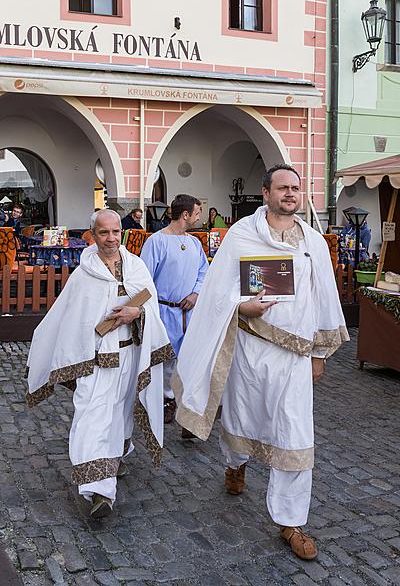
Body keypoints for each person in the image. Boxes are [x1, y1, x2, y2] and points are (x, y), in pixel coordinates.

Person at [173, 165, 349, 560]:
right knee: (241, 421)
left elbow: (323, 298)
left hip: (296, 357)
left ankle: (291, 521)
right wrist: (243, 306)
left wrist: (319, 355)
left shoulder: (313, 243)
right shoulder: (242, 235)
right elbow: (218, 293)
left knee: (294, 435)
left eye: (296, 188)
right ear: (265, 192)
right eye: (283, 188)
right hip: (251, 352)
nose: (290, 194)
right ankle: (235, 465)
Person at [26, 209, 173, 518]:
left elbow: (150, 304)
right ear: (93, 235)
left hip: (131, 355)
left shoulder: (136, 267)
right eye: (103, 233)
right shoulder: (84, 274)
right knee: (91, 415)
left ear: (122, 232)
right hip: (95, 361)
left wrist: (137, 313)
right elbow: (69, 317)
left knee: (120, 412)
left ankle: (114, 458)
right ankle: (99, 492)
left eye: (115, 232)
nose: (110, 238)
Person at [140, 194, 208, 424]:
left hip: (189, 312)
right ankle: (161, 399)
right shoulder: (156, 242)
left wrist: (196, 293)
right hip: (164, 310)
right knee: (162, 358)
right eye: (197, 213)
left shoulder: (194, 242)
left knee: (184, 358)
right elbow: (144, 278)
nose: (199, 218)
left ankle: (178, 399)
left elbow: (203, 272)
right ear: (185, 214)